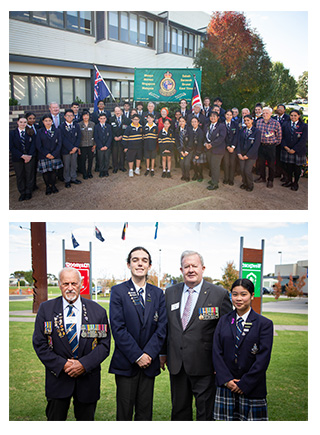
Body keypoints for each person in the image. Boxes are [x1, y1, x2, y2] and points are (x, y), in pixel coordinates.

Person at [160, 250, 232, 421]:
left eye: (194, 266)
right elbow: (165, 326)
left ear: (203, 268)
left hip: (206, 366)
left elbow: (226, 333)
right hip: (177, 364)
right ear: (181, 270)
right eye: (187, 266)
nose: (190, 270)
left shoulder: (219, 294)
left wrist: (222, 363)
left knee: (205, 413)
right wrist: (163, 353)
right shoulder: (170, 293)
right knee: (179, 412)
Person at [33, 267, 111, 421]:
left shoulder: (98, 311)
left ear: (81, 284)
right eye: (65, 283)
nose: (70, 288)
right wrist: (63, 365)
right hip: (58, 379)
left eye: (74, 283)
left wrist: (83, 364)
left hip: (88, 380)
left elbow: (104, 345)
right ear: (59, 284)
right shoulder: (46, 310)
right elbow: (40, 343)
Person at [109, 247, 167, 421]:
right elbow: (118, 328)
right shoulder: (118, 292)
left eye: (144, 260)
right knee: (124, 413)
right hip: (126, 363)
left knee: (145, 413)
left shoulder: (157, 294)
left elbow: (162, 327)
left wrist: (148, 354)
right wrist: (137, 355)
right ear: (128, 264)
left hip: (149, 364)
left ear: (149, 265)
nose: (140, 263)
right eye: (135, 260)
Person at [212, 278, 273, 421]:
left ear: (252, 295)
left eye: (243, 294)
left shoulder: (264, 324)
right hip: (227, 387)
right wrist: (227, 380)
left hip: (252, 387)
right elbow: (216, 351)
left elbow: (263, 359)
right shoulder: (224, 320)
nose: (239, 298)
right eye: (235, 294)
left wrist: (245, 383)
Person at [9, 115, 36, 201]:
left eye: (25, 122)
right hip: (18, 158)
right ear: (17, 122)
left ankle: (28, 191)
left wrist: (29, 155)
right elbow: (11, 147)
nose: (23, 124)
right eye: (21, 122)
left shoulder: (30, 132)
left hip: (29, 157)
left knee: (29, 175)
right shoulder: (12, 134)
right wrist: (22, 156)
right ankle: (22, 192)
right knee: (20, 175)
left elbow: (33, 145)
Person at [280, 109, 308, 191]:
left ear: (299, 116)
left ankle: (295, 183)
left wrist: (294, 149)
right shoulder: (285, 124)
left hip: (298, 151)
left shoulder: (304, 126)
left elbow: (303, 140)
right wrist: (286, 147)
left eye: (295, 115)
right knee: (288, 167)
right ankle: (289, 180)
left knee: (296, 168)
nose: (293, 117)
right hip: (287, 150)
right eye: (291, 115)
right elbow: (282, 137)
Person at [36, 114, 63, 195]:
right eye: (46, 121)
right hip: (44, 155)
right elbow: (38, 145)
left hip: (55, 155)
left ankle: (53, 185)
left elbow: (59, 143)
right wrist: (46, 154)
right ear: (43, 122)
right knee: (46, 172)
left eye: (49, 121)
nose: (48, 122)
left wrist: (54, 153)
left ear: (52, 122)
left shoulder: (57, 131)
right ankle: (48, 186)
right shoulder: (40, 132)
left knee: (54, 171)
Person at [255, 107, 282, 188]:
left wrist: (273, 144)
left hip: (271, 146)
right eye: (264, 113)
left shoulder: (275, 123)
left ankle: (270, 180)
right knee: (261, 163)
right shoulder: (259, 122)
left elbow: (279, 137)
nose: (265, 114)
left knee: (271, 164)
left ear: (271, 114)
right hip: (261, 145)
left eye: (267, 113)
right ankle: (262, 177)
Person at [236, 115, 261, 192]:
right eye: (245, 121)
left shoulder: (257, 132)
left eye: (248, 120)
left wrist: (248, 155)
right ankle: (244, 183)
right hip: (242, 154)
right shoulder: (242, 130)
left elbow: (256, 145)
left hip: (251, 155)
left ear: (252, 120)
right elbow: (239, 142)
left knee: (247, 170)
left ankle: (250, 184)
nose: (246, 122)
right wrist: (239, 153)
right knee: (242, 170)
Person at [59, 109, 82, 188]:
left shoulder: (76, 125)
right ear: (65, 117)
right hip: (66, 150)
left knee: (74, 164)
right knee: (66, 165)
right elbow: (62, 138)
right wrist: (71, 148)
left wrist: (75, 147)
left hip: (75, 149)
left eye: (71, 115)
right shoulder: (61, 126)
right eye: (68, 115)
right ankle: (67, 180)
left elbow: (79, 137)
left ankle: (73, 178)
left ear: (73, 116)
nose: (69, 117)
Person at [205, 111, 227, 190]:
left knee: (215, 166)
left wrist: (212, 144)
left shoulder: (221, 126)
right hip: (209, 149)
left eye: (214, 116)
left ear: (218, 117)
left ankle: (215, 184)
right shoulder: (207, 125)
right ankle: (213, 180)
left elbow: (221, 137)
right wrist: (206, 144)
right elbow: (205, 136)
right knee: (211, 166)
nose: (212, 117)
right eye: (211, 116)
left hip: (217, 150)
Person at [110, 106, 130, 173]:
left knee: (122, 153)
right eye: (116, 111)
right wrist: (114, 136)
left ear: (121, 111)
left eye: (118, 111)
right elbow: (110, 130)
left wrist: (122, 136)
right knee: (114, 154)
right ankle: (115, 167)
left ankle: (122, 166)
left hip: (122, 139)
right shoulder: (111, 119)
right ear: (114, 112)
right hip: (114, 139)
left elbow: (127, 130)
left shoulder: (126, 119)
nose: (117, 112)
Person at [94, 112, 113, 178]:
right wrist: (100, 146)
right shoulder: (96, 127)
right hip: (100, 146)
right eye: (101, 118)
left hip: (107, 146)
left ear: (106, 119)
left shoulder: (108, 126)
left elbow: (110, 136)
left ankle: (106, 170)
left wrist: (107, 146)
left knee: (107, 158)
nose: (102, 120)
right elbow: (96, 137)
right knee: (101, 159)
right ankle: (101, 171)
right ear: (99, 119)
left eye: (104, 118)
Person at [223, 109, 239, 186]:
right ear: (225, 115)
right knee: (226, 163)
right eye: (227, 114)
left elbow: (236, 136)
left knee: (232, 163)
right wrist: (227, 146)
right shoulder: (222, 124)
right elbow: (222, 136)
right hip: (225, 147)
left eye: (230, 115)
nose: (228, 116)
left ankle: (231, 179)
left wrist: (232, 146)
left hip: (233, 147)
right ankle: (226, 178)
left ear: (232, 116)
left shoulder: (235, 124)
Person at [78, 109, 96, 179]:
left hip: (91, 145)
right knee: (83, 160)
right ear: (82, 116)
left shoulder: (92, 124)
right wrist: (78, 147)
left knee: (91, 159)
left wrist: (94, 145)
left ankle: (89, 172)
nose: (86, 117)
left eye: (87, 115)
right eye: (84, 116)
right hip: (82, 145)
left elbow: (95, 135)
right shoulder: (79, 125)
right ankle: (84, 173)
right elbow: (78, 136)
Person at [175, 116, 192, 181]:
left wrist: (187, 151)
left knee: (186, 163)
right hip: (181, 150)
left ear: (185, 122)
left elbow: (191, 140)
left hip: (189, 150)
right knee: (182, 163)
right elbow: (177, 141)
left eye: (183, 121)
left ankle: (187, 176)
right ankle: (183, 175)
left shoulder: (189, 130)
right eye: (180, 121)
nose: (181, 123)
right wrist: (180, 151)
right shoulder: (177, 130)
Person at [189, 117, 206, 181]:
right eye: (192, 122)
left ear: (198, 123)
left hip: (200, 150)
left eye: (195, 122)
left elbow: (200, 143)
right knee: (194, 163)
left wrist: (198, 154)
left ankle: (200, 175)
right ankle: (195, 174)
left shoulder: (200, 132)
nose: (194, 123)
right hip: (193, 149)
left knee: (199, 163)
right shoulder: (191, 130)